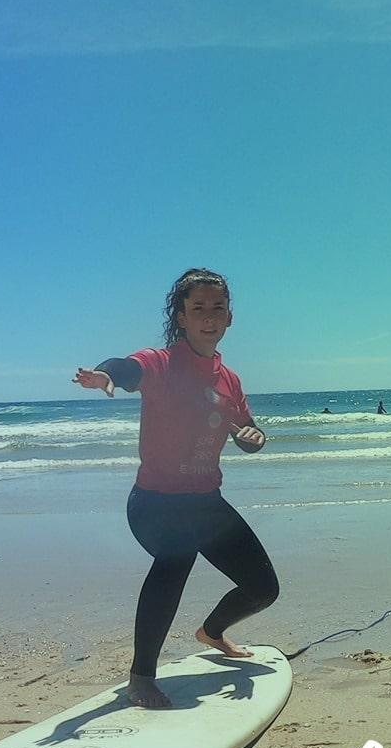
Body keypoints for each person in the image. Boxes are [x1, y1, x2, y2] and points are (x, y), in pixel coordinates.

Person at [73, 269, 279, 709]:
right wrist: (106, 376)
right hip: (155, 504)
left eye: (217, 308)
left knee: (263, 589)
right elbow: (125, 368)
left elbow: (248, 429)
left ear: (230, 317)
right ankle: (141, 677)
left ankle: (212, 632)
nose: (209, 316)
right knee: (177, 556)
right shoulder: (161, 363)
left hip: (205, 504)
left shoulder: (229, 379)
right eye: (198, 308)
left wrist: (254, 437)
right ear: (182, 317)